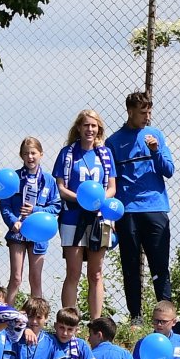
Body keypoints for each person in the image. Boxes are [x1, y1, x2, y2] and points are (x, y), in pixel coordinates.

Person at [107, 91, 175, 322]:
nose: (147, 117)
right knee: (130, 264)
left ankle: (165, 316)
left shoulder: (155, 135)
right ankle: (135, 315)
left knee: (160, 264)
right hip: (127, 211)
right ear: (130, 112)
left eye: (149, 112)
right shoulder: (114, 142)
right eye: (142, 113)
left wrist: (155, 151)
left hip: (155, 207)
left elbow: (169, 170)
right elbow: (110, 180)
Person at [55, 109, 117, 320]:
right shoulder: (67, 154)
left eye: (94, 125)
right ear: (79, 128)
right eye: (86, 125)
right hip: (73, 217)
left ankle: (96, 323)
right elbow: (61, 188)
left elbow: (111, 187)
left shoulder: (105, 154)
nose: (90, 129)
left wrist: (98, 202)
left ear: (99, 128)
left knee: (96, 273)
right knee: (73, 272)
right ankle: (69, 321)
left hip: (100, 218)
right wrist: (80, 199)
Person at [0, 138, 56, 303]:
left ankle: (36, 316)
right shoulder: (13, 178)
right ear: (21, 155)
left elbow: (55, 207)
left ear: (41, 154)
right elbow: (5, 204)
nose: (30, 157)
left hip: (38, 235)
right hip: (17, 233)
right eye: (26, 153)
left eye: (33, 153)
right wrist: (13, 221)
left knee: (35, 278)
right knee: (16, 277)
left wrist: (35, 210)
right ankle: (7, 315)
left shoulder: (48, 181)